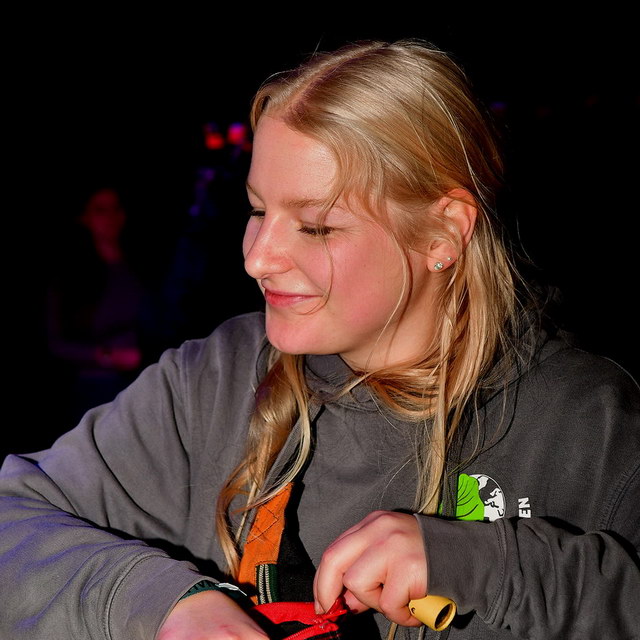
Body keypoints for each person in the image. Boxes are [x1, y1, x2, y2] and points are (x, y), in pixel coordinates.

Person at [0, 39, 638, 640]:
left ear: (442, 233)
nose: (257, 258)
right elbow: (13, 519)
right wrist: (159, 602)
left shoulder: (588, 420)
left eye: (315, 227)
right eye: (257, 210)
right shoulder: (213, 383)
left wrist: (493, 567)